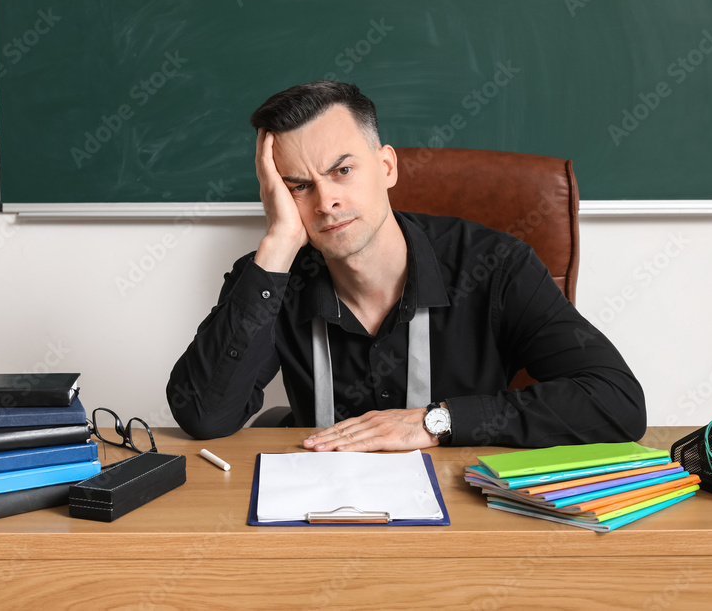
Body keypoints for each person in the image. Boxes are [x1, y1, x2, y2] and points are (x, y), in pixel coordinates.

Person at [166, 81, 645, 451]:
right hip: (320, 515)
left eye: (342, 171)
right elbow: (204, 416)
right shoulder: (271, 278)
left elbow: (616, 401)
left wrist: (437, 421)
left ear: (387, 167)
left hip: (465, 517)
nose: (327, 201)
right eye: (298, 186)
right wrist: (279, 243)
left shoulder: (497, 266)